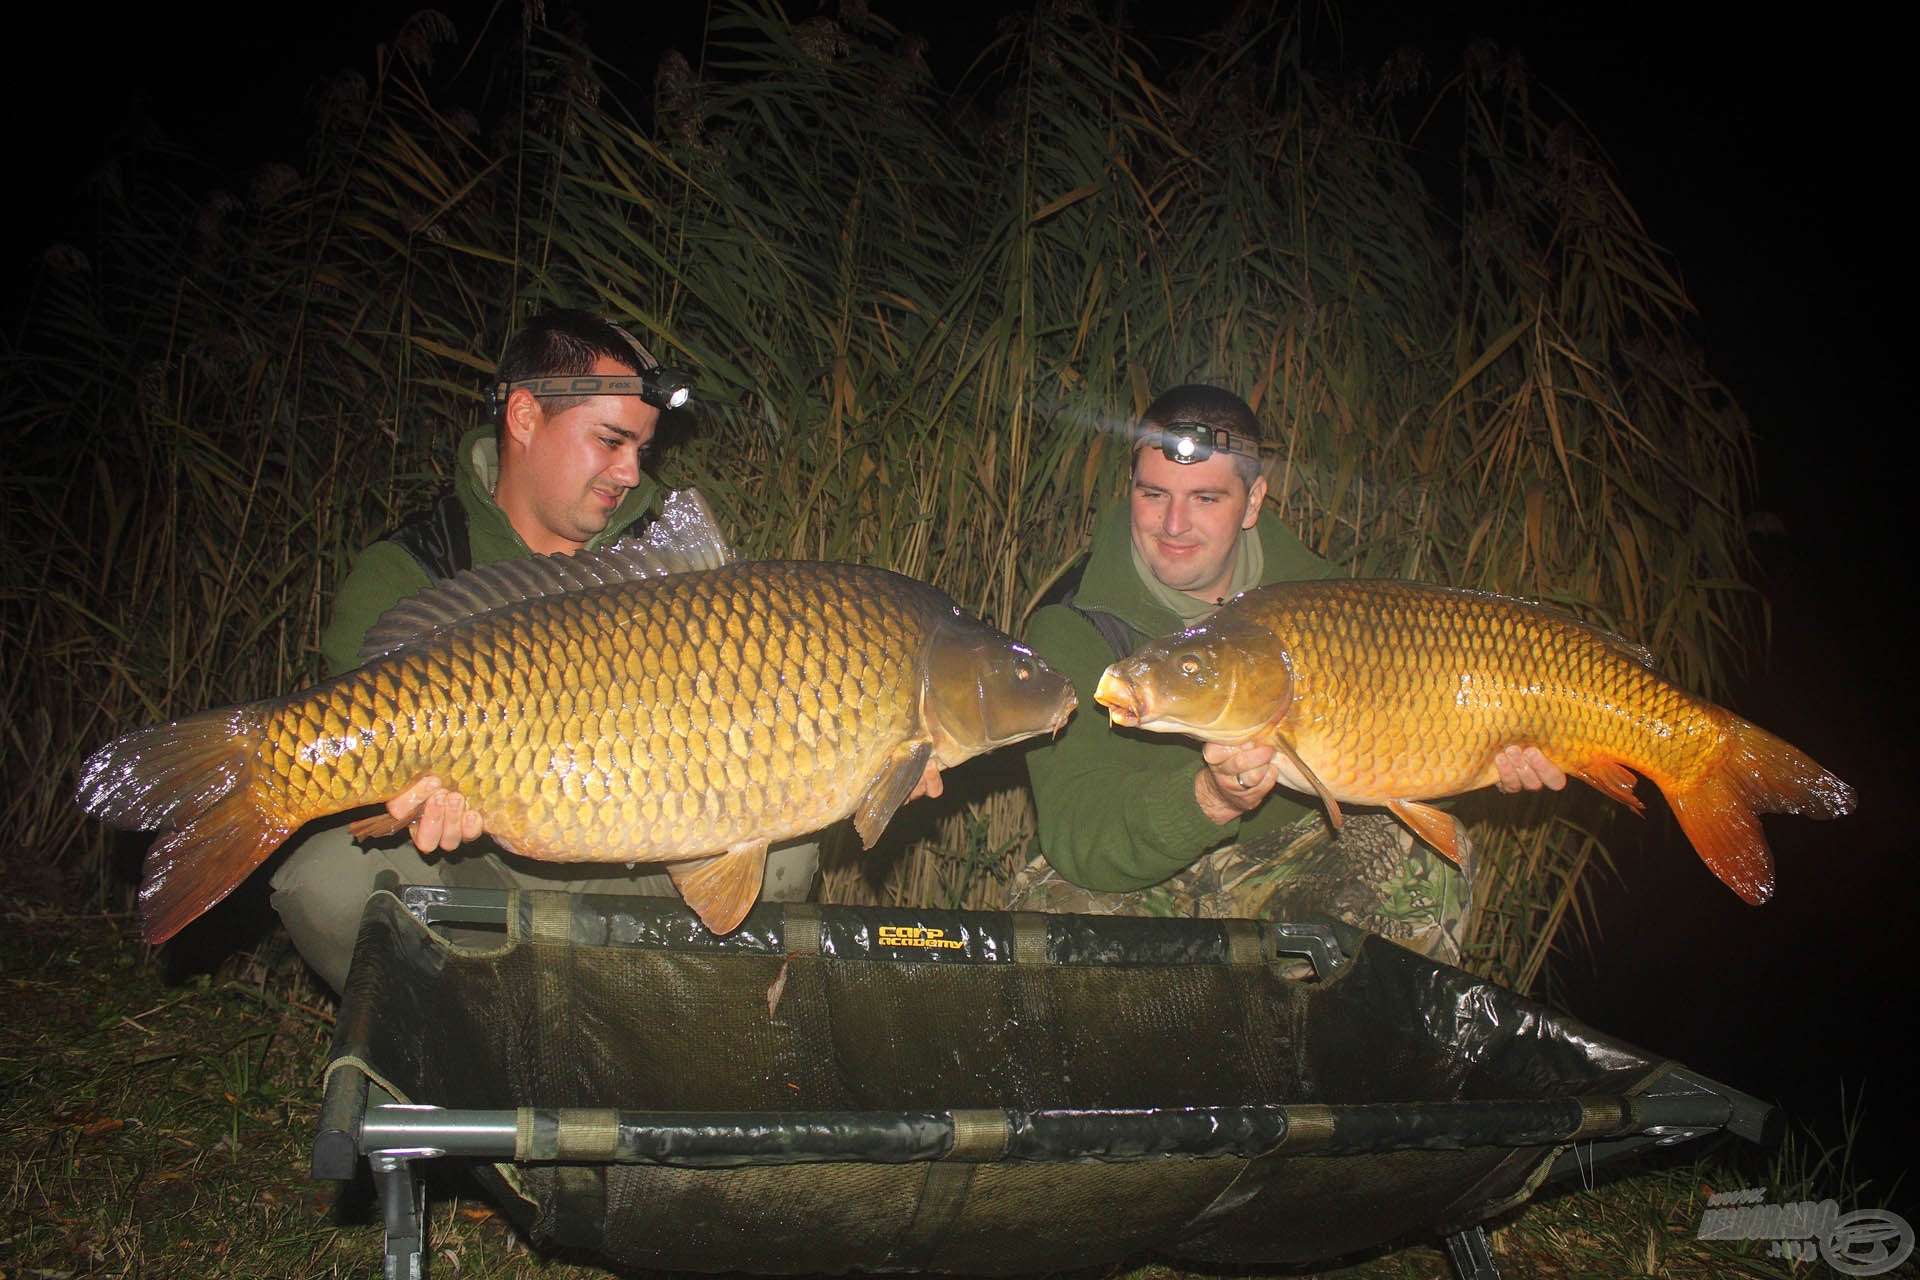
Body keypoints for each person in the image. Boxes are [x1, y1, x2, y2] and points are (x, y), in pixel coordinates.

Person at [268, 309, 857, 993]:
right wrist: (416, 799)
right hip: (486, 871)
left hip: (646, 859)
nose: (631, 472)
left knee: (785, 846)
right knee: (328, 882)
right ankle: (456, 1049)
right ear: (523, 417)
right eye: (611, 441)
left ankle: (673, 1037)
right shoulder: (412, 569)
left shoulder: (668, 562)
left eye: (642, 449)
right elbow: (356, 762)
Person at [1018, 384, 1563, 961]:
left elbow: (1403, 748)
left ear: (1253, 501)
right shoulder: (1072, 625)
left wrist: (1490, 753)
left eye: (1205, 498)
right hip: (1141, 872)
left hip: (1287, 861)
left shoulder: (1330, 607)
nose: (1173, 523)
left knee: (1419, 872)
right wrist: (1211, 798)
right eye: (1154, 494)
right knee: (1045, 932)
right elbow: (1078, 834)